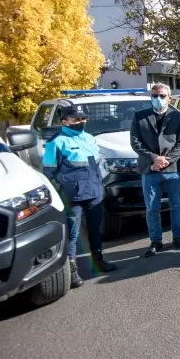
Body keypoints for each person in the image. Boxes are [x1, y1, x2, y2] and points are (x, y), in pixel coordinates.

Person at [42, 104, 117, 287]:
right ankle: (72, 271)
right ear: (65, 121)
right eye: (76, 119)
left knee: (96, 229)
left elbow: (95, 165)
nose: (81, 122)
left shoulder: (90, 138)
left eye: (83, 119)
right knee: (73, 234)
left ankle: (98, 260)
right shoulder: (56, 142)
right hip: (72, 196)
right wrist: (61, 191)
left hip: (93, 191)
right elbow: (49, 173)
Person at [130, 83, 180, 257]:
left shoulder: (179, 118)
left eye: (162, 96)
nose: (158, 99)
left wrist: (165, 160)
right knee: (152, 208)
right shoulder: (140, 117)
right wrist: (154, 158)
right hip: (150, 169)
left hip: (173, 169)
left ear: (169, 98)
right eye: (155, 95)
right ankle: (156, 240)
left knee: (176, 205)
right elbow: (135, 142)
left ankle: (178, 237)